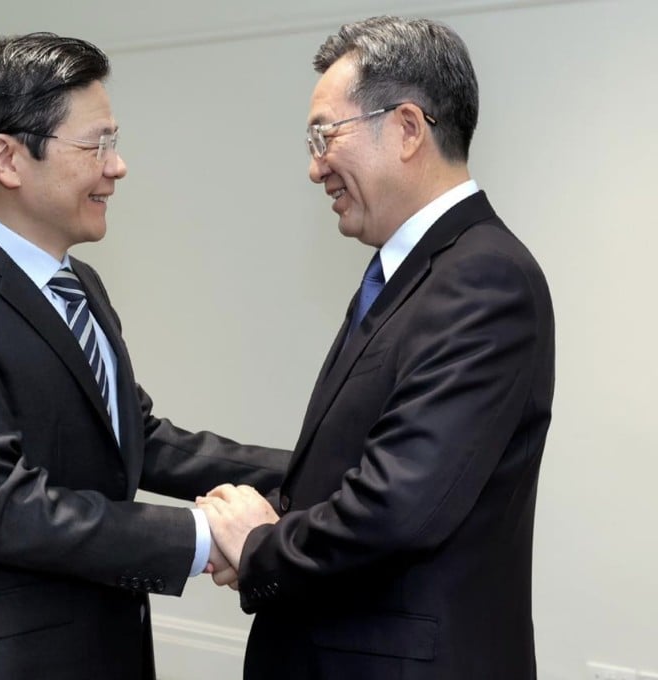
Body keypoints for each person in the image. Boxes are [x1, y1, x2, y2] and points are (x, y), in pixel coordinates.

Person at [0, 33, 288, 680]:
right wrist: (202, 535)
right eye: (96, 144)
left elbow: (137, 439)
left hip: (108, 641)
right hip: (9, 661)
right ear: (7, 158)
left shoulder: (79, 285)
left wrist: (306, 471)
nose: (116, 166)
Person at [197, 15, 555, 680]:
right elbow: (349, 473)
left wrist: (258, 546)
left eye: (323, 135)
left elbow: (396, 510)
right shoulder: (411, 273)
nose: (314, 168)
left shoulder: (483, 277)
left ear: (408, 128)